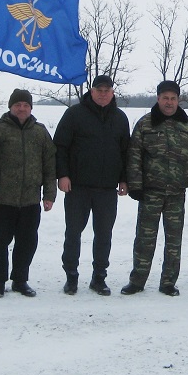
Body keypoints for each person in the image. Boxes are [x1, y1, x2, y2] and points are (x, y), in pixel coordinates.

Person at [121, 80, 188, 297]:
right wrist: (136, 185)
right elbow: (134, 155)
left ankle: (168, 281)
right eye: (165, 98)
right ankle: (137, 280)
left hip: (177, 193)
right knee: (145, 239)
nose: (169, 102)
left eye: (173, 98)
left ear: (178, 100)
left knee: (174, 241)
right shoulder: (145, 124)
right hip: (150, 192)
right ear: (158, 99)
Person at [53, 75, 130, 296]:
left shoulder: (120, 118)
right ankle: (71, 276)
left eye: (107, 90)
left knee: (104, 234)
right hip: (78, 187)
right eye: (99, 90)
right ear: (92, 91)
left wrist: (124, 179)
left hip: (107, 189)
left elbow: (126, 152)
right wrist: (63, 175)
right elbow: (60, 147)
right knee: (73, 233)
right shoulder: (74, 114)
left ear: (113, 92)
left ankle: (99, 278)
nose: (103, 93)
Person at [0, 89, 56, 298]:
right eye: (17, 105)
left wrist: (49, 194)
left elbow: (50, 165)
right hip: (3, 198)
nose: (21, 108)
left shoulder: (40, 132)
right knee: (0, 243)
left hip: (31, 200)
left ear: (31, 108)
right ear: (10, 107)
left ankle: (20, 280)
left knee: (27, 242)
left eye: (25, 105)